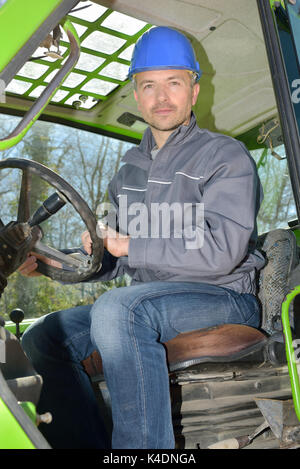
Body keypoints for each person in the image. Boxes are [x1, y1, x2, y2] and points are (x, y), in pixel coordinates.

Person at [20, 26, 265, 449]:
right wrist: (45, 262)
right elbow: (111, 260)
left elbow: (222, 250)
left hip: (222, 294)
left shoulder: (224, 156)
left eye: (174, 82)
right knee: (42, 336)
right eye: (149, 85)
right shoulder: (129, 172)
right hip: (149, 299)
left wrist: (129, 245)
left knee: (118, 309)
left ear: (194, 90)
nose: (162, 97)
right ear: (136, 94)